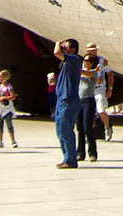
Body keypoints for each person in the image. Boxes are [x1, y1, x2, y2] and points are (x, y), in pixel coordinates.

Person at [52, 37, 83, 168]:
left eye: (67, 46)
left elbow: (56, 53)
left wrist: (58, 43)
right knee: (60, 130)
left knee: (66, 129)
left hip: (69, 100)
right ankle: (67, 157)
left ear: (73, 49)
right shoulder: (66, 63)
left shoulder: (75, 60)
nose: (64, 49)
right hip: (62, 99)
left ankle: (71, 159)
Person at [84, 42, 114, 141]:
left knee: (101, 110)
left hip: (99, 89)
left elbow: (109, 73)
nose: (93, 52)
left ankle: (107, 127)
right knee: (90, 113)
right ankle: (89, 133)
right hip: (89, 89)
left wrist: (110, 88)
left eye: (94, 50)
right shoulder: (85, 61)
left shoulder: (102, 61)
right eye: (90, 50)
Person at [76, 54, 99, 162]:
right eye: (83, 60)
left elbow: (84, 73)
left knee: (87, 128)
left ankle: (92, 152)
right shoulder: (81, 72)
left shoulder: (94, 73)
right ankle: (80, 153)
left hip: (88, 101)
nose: (84, 62)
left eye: (86, 60)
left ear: (92, 63)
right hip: (78, 101)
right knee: (79, 128)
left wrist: (74, 66)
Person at [0, 69, 17, 148]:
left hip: (7, 108)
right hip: (0, 107)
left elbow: (13, 96)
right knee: (0, 125)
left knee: (9, 124)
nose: (0, 79)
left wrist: (4, 98)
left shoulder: (9, 87)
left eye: (1, 77)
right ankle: (0, 141)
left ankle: (13, 140)